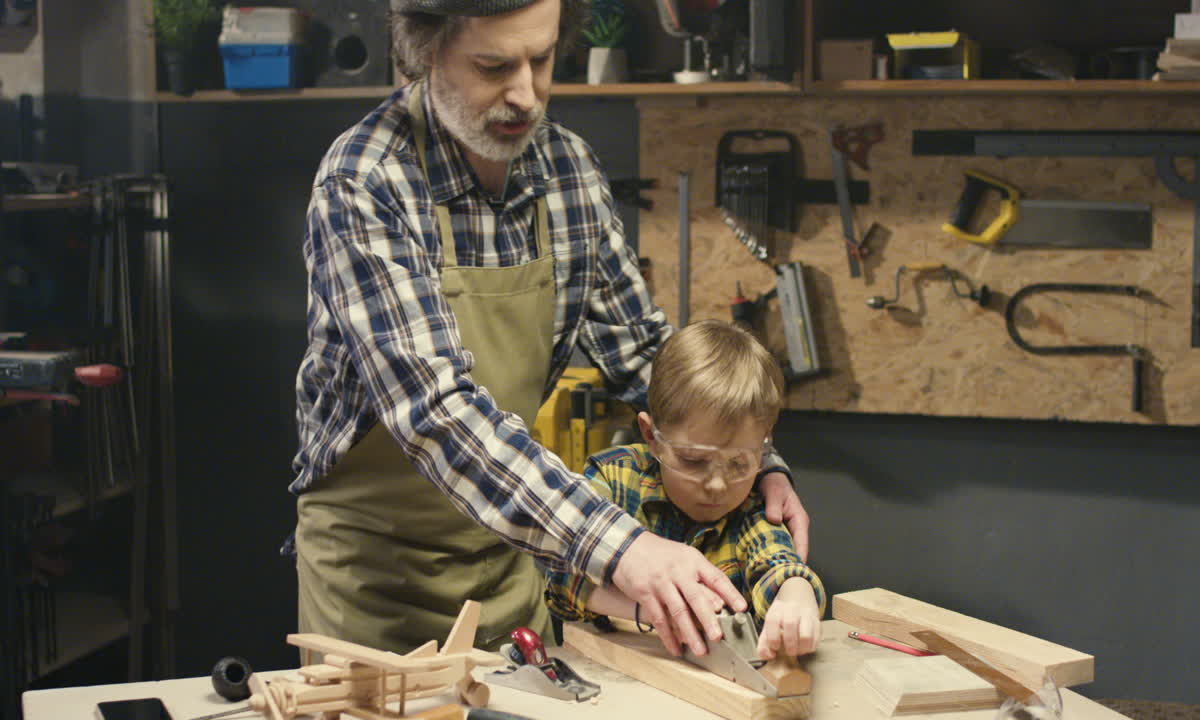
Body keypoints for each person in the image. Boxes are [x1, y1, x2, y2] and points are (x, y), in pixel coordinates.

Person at [288, 0, 811, 659]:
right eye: (493, 66)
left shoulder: (567, 171)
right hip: (376, 586)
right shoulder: (366, 182)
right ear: (424, 51)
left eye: (541, 60)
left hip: (517, 555)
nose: (525, 95)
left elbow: (644, 356)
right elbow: (437, 414)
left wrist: (755, 460)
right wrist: (623, 550)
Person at [543, 320, 824, 658]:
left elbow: (776, 563)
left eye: (738, 463)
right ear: (651, 436)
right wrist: (656, 610)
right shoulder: (612, 478)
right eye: (693, 460)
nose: (718, 485)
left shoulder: (752, 502)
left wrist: (797, 594)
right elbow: (562, 580)